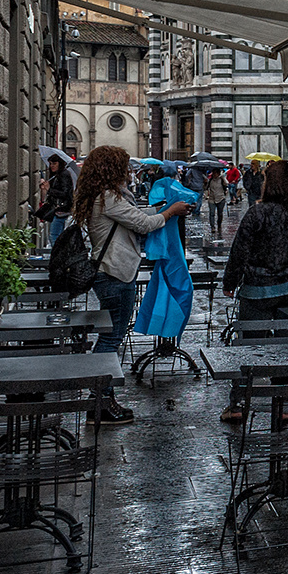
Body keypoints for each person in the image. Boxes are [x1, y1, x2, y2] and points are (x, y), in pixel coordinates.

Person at [74, 145, 192, 424]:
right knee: (111, 339)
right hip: (115, 274)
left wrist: (165, 209)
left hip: (112, 273)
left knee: (111, 337)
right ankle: (100, 403)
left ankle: (102, 400)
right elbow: (143, 224)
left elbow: (137, 215)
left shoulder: (106, 197)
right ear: (112, 170)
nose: (130, 173)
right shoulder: (108, 198)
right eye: (125, 167)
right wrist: (169, 212)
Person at [221, 160, 288, 421]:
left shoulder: (257, 213)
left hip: (260, 289)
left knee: (249, 345)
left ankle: (239, 404)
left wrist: (230, 283)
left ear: (269, 184)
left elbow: (239, 252)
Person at [35, 155, 74, 246]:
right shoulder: (56, 175)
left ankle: (57, 257)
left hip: (61, 210)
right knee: (57, 236)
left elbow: (65, 193)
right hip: (58, 210)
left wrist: (49, 189)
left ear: (60, 164)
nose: (52, 166)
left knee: (54, 236)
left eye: (55, 163)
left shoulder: (64, 174)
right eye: (50, 163)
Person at [201, 169, 228, 237]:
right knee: (212, 213)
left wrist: (223, 178)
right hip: (212, 199)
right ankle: (212, 227)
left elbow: (227, 184)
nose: (214, 174)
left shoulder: (221, 180)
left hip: (220, 198)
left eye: (216, 173)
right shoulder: (210, 180)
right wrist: (205, 183)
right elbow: (206, 188)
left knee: (220, 213)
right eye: (213, 173)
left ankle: (219, 224)